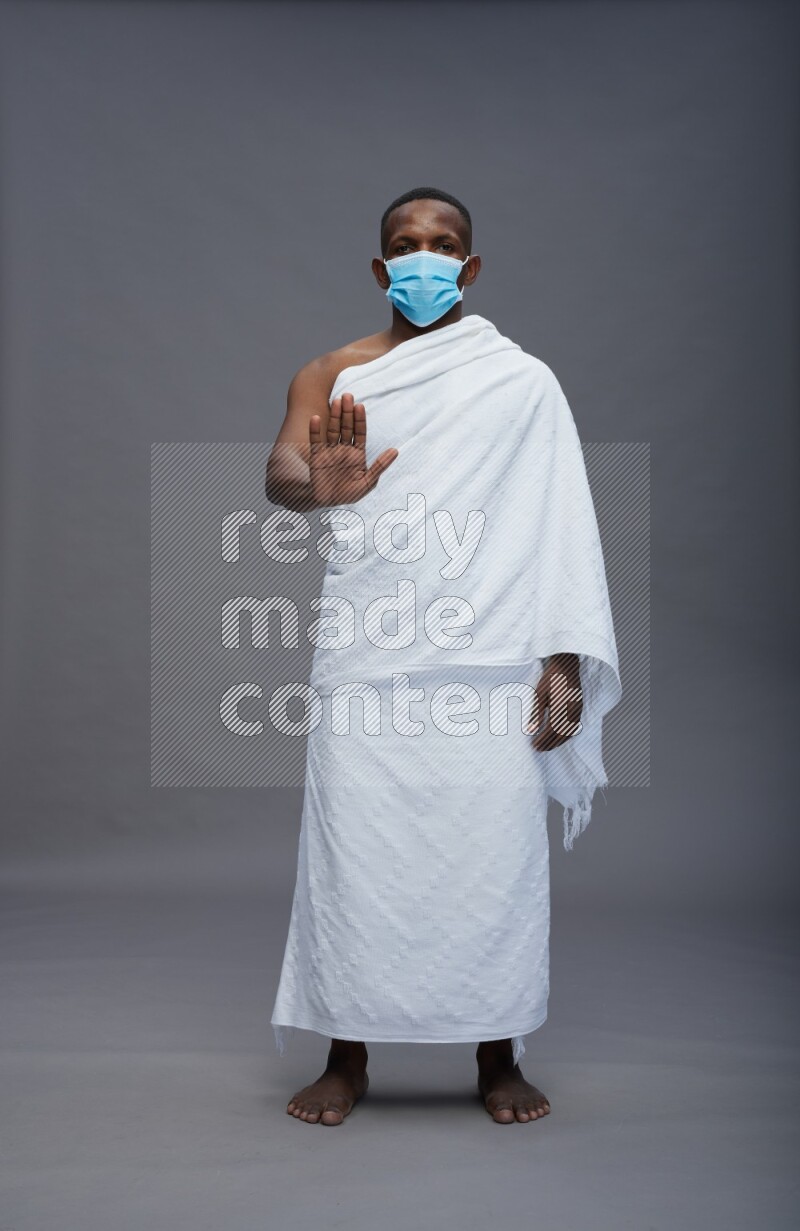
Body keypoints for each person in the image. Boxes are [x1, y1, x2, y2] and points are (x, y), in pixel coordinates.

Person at [265, 187, 621, 1126]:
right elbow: (283, 472)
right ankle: (346, 1052)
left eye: (444, 242)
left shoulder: (522, 381)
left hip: (493, 656)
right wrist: (321, 490)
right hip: (367, 653)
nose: (424, 256)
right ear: (381, 267)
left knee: (490, 856)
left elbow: (562, 521)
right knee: (355, 851)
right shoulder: (332, 372)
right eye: (405, 243)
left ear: (470, 265)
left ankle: (497, 1051)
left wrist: (563, 664)